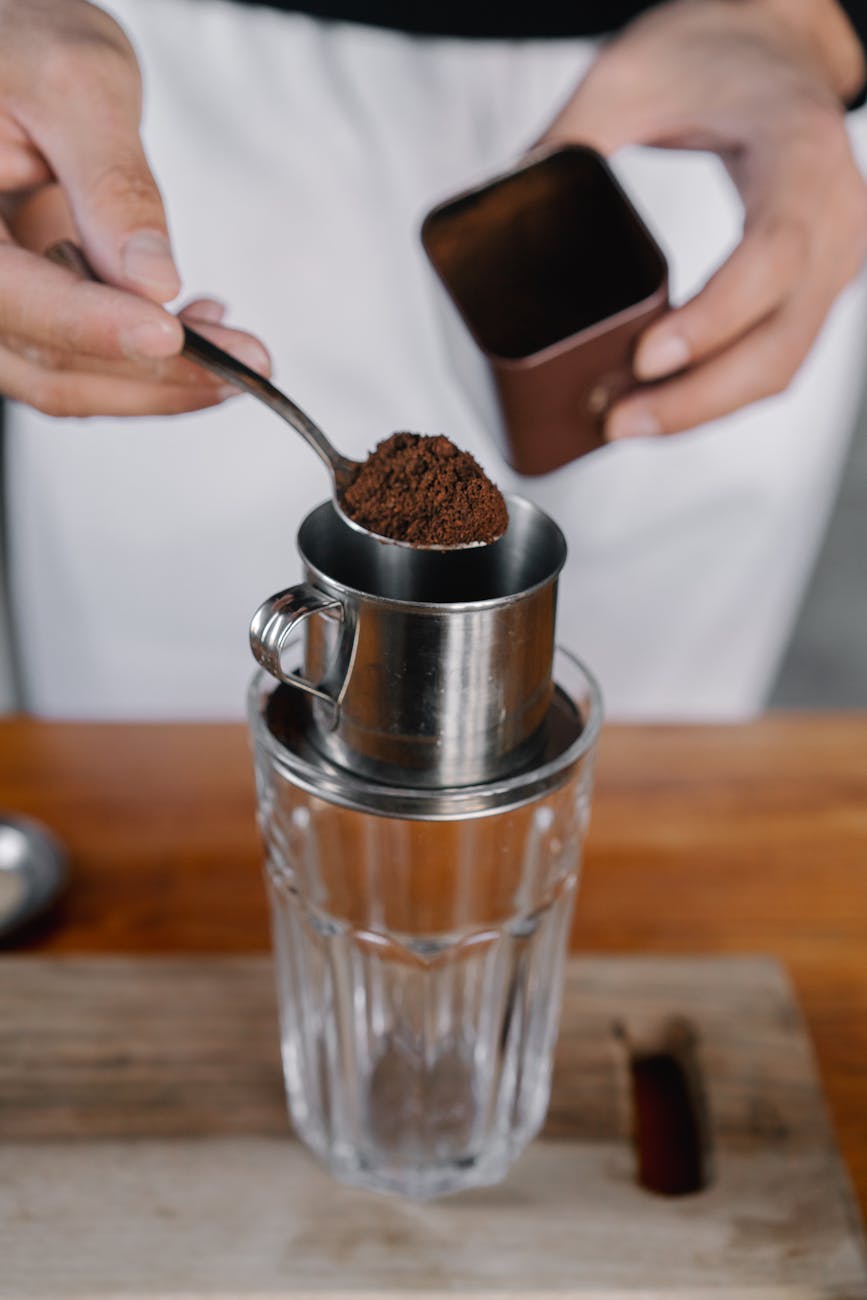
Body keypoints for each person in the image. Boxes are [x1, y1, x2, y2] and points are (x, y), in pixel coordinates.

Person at [0, 0, 865, 718]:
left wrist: (818, 24)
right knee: (163, 776)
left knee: (646, 792)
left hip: (702, 107)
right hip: (185, 89)